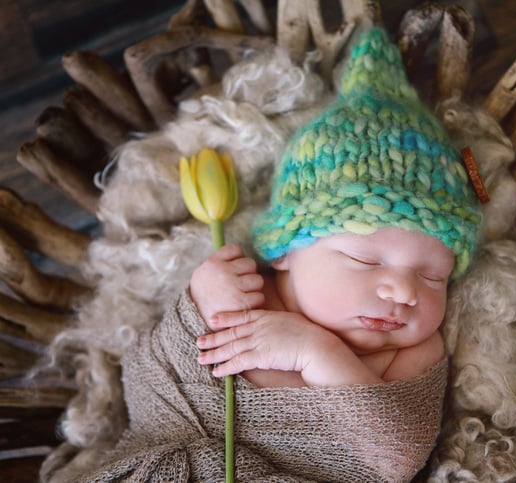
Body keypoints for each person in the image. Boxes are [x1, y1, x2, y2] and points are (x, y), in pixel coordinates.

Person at [74, 26, 482, 482]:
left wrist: (319, 354)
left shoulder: (414, 353)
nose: (404, 291)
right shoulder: (247, 293)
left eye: (433, 276)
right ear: (286, 251)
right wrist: (199, 301)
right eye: (367, 260)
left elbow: (400, 459)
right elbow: (149, 380)